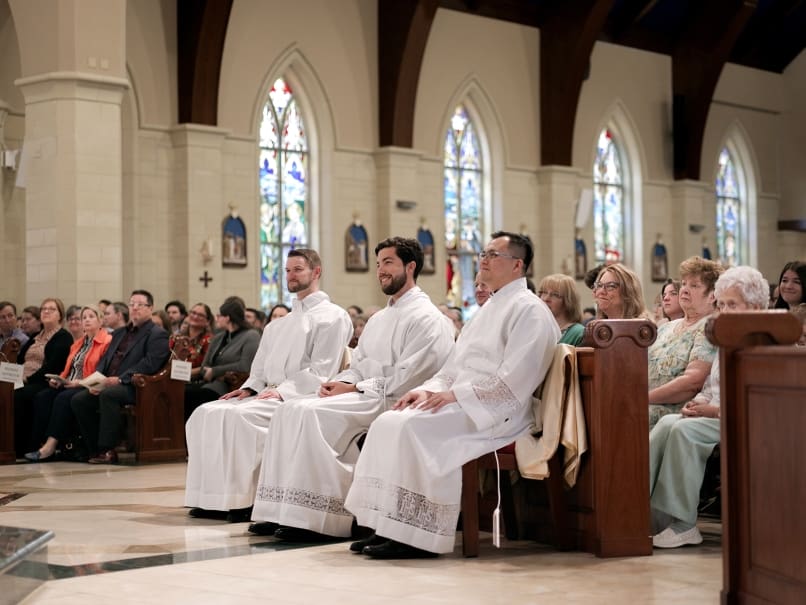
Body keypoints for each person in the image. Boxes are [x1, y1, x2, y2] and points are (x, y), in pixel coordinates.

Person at [345, 231, 559, 558]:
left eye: (492, 255)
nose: (483, 260)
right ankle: (387, 525)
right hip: (465, 399)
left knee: (412, 428)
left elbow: (515, 380)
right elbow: (451, 368)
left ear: (517, 265)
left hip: (498, 412)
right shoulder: (487, 309)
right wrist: (426, 391)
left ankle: (418, 535)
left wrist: (457, 396)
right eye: (484, 253)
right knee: (389, 421)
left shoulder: (531, 311)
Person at [249, 237, 455, 541]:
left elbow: (411, 376)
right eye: (378, 264)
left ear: (410, 267)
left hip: (390, 398)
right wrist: (343, 381)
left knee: (311, 415)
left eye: (388, 263)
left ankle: (320, 516)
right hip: (364, 392)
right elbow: (358, 362)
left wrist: (355, 386)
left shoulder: (429, 319)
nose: (381, 271)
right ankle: (282, 508)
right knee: (290, 409)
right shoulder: (379, 319)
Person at [184, 249, 353, 522]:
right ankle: (213, 498)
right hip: (266, 392)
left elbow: (323, 369)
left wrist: (283, 391)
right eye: (287, 270)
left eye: (297, 269)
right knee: (206, 412)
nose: (291, 275)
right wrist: (250, 388)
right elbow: (260, 367)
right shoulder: (278, 325)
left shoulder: (332, 316)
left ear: (316, 272)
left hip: (299, 396)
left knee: (241, 418)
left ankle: (244, 501)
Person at [650, 266, 768, 548]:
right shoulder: (728, 338)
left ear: (754, 306)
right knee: (668, 423)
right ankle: (649, 512)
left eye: (732, 304)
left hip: (741, 417)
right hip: (715, 412)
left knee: (684, 433)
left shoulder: (762, 340)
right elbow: (710, 388)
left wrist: (711, 411)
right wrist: (696, 403)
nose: (724, 311)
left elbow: (754, 398)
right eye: (722, 304)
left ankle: (683, 523)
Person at [70, 290, 170, 464]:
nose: (135, 308)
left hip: (136, 386)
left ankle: (108, 450)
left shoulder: (157, 334)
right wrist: (96, 380)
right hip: (108, 382)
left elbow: (149, 364)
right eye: (132, 304)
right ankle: (92, 449)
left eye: (140, 305)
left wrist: (121, 379)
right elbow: (105, 359)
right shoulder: (119, 333)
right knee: (79, 399)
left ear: (151, 308)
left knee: (110, 395)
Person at [25, 305, 113, 461]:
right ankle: (36, 444)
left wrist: (78, 383)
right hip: (70, 383)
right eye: (84, 317)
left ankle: (50, 446)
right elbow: (68, 369)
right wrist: (58, 379)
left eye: (91, 316)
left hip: (89, 385)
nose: (86, 320)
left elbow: (103, 372)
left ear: (100, 321)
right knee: (43, 396)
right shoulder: (78, 343)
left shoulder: (107, 341)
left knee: (63, 398)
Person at [648, 257, 723, 429]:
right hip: (646, 399)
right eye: (683, 284)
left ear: (712, 295)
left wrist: (643, 397)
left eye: (694, 285)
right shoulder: (667, 327)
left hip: (673, 408)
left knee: (629, 413)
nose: (685, 290)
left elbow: (692, 382)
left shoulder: (709, 327)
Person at [14, 299, 74, 457]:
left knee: (18, 395)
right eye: (44, 309)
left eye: (51, 309)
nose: (46, 311)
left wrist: (26, 380)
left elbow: (52, 367)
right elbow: (20, 360)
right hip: (22, 379)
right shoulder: (35, 336)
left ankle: (20, 446)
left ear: (60, 315)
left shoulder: (63, 337)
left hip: (43, 381)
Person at [183, 300, 260, 420]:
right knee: (181, 392)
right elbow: (204, 366)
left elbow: (245, 366)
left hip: (228, 386)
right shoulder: (219, 337)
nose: (216, 318)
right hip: (207, 383)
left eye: (219, 315)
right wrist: (210, 372)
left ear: (228, 317)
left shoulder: (250, 336)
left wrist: (215, 371)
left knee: (191, 396)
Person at [537, 273, 585, 345]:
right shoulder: (538, 330)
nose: (546, 299)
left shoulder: (579, 333)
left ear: (568, 301)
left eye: (555, 295)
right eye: (544, 292)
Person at [171, 302, 214, 381]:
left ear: (207, 321)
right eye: (193, 313)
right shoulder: (176, 337)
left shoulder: (209, 340)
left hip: (195, 381)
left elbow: (207, 367)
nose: (195, 316)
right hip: (172, 378)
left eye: (200, 315)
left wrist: (183, 373)